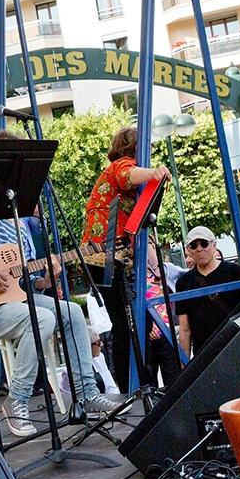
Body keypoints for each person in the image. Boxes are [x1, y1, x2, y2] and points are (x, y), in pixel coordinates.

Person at [0, 154, 118, 437]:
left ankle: (86, 392)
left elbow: (24, 282)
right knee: (40, 318)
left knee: (73, 312)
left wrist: (46, 279)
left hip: (15, 301)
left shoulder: (20, 224)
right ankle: (17, 398)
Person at [81, 126, 170, 391]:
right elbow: (127, 174)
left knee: (130, 321)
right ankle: (131, 385)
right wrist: (154, 173)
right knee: (124, 323)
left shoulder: (118, 171)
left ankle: (138, 382)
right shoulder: (120, 165)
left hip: (112, 255)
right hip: (105, 256)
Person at [176, 226, 240, 358]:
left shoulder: (234, 272)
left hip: (236, 345)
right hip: (204, 353)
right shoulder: (183, 282)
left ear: (214, 245)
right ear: (188, 250)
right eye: (193, 245)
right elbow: (184, 328)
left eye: (204, 243)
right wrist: (184, 363)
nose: (199, 249)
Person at [144, 245, 183, 387]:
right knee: (149, 380)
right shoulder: (133, 273)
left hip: (166, 331)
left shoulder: (166, 269)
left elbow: (186, 274)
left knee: (173, 379)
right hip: (147, 333)